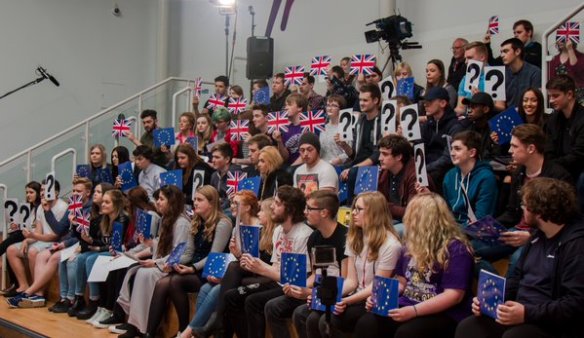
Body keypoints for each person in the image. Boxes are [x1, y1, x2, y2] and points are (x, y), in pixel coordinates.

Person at [455, 178, 584, 338]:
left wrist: (526, 313)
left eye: (524, 205)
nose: (522, 209)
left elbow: (575, 302)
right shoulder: (536, 237)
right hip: (521, 312)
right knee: (470, 326)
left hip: (549, 322)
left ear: (539, 211)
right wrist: (489, 301)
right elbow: (515, 280)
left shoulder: (575, 245)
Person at [354, 193, 474, 338]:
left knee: (407, 333)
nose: (407, 221)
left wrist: (414, 311)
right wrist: (380, 296)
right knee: (368, 323)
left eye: (412, 217)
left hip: (442, 313)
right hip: (408, 303)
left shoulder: (456, 249)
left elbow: (454, 296)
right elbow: (401, 281)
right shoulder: (410, 244)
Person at [304, 191, 401, 338]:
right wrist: (322, 295)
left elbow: (377, 286)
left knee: (345, 323)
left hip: (377, 299)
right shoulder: (354, 237)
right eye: (354, 208)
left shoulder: (391, 244)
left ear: (374, 213)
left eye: (359, 209)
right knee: (315, 319)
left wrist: (346, 301)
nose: (353, 213)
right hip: (357, 296)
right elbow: (351, 281)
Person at [224, 186, 312, 338]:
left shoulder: (303, 235)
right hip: (279, 282)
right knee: (231, 296)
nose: (271, 205)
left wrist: (261, 268)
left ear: (290, 209)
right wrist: (244, 257)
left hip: (296, 288)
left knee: (255, 302)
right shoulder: (278, 230)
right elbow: (276, 267)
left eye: (277, 203)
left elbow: (295, 280)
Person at [484, 125, 572, 275]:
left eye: (514, 146)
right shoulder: (519, 173)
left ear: (531, 149)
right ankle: (497, 285)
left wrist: (532, 236)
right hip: (516, 230)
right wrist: (489, 227)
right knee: (471, 249)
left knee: (518, 261)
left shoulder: (558, 177)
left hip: (543, 236)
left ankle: (506, 292)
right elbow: (511, 212)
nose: (510, 150)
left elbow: (563, 222)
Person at [146, 185, 232, 336]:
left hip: (211, 271)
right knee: (166, 281)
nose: (195, 203)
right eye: (194, 200)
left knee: (173, 281)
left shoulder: (223, 223)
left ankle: (183, 330)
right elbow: (189, 252)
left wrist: (192, 268)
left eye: (199, 200)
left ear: (211, 203)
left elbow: (214, 255)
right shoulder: (196, 221)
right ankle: (153, 333)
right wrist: (171, 263)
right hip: (195, 267)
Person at [266, 190, 349, 338]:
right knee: (288, 310)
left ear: (324, 212)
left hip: (341, 295)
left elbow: (347, 282)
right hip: (322, 293)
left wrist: (312, 293)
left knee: (308, 316)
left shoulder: (344, 238)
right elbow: (316, 275)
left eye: (309, 209)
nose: (305, 212)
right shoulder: (314, 238)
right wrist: (300, 285)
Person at [191, 197, 277, 338]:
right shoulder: (257, 230)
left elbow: (265, 266)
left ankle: (216, 324)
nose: (259, 213)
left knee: (229, 287)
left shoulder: (271, 232)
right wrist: (238, 254)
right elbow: (253, 261)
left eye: (262, 211)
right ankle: (213, 326)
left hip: (270, 278)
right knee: (210, 287)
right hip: (254, 273)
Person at [116, 185, 194, 338]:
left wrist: (157, 262)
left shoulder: (182, 222)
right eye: (158, 198)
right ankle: (135, 324)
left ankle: (144, 327)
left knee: (144, 274)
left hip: (171, 266)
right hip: (162, 262)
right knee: (135, 270)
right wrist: (150, 243)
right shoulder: (166, 218)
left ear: (171, 202)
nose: (157, 202)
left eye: (161, 199)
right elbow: (162, 243)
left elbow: (181, 252)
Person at [179, 190, 259, 338]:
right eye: (232, 202)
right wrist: (232, 259)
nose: (232, 206)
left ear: (247, 207)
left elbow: (256, 260)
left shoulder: (258, 226)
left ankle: (187, 333)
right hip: (238, 271)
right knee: (205, 288)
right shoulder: (238, 226)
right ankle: (197, 333)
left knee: (217, 291)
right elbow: (236, 258)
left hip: (254, 275)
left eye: (236, 203)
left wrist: (227, 275)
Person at [8, 178, 93, 308]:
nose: (75, 193)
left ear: (88, 193)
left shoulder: (89, 208)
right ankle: (38, 294)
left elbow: (72, 234)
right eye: (74, 190)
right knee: (42, 255)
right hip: (69, 242)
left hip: (78, 244)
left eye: (79, 191)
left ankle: (31, 292)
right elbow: (61, 228)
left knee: (54, 258)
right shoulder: (74, 204)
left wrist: (64, 242)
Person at [75, 189, 129, 321]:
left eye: (107, 202)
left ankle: (97, 301)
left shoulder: (122, 219)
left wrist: (98, 247)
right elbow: (103, 241)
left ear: (116, 204)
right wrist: (91, 241)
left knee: (92, 259)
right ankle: (88, 301)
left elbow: (116, 244)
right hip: (107, 250)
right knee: (83, 258)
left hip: (119, 253)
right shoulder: (104, 218)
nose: (103, 204)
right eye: (103, 201)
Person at [338, 84, 384, 203]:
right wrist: (344, 145)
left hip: (376, 166)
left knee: (352, 172)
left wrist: (354, 167)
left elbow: (377, 155)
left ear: (375, 100)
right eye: (360, 100)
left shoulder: (383, 122)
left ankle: (350, 207)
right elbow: (354, 155)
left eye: (365, 100)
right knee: (336, 170)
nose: (361, 103)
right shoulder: (360, 121)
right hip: (358, 163)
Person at [442, 131, 498, 227]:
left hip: (475, 233)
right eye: (451, 149)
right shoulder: (450, 175)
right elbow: (446, 211)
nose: (452, 153)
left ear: (472, 152)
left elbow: (481, 220)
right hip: (452, 229)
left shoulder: (486, 178)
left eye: (457, 149)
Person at [377, 134, 434, 227]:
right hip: (392, 219)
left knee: (388, 232)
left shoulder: (416, 176)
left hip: (416, 224)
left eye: (385, 154)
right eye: (380, 153)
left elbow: (412, 212)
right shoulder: (384, 172)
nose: (380, 158)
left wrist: (384, 206)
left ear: (399, 157)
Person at [0, 181, 42, 296]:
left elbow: (38, 230)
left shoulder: (41, 208)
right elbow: (24, 225)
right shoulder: (27, 207)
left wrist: (26, 237)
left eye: (31, 192)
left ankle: (17, 284)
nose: (28, 195)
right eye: (27, 192)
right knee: (11, 245)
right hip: (25, 234)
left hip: (35, 237)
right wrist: (16, 225)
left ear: (38, 193)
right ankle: (17, 284)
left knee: (12, 241)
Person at [421, 87, 465, 190]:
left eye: (430, 101)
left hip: (444, 170)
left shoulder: (455, 126)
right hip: (427, 168)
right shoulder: (428, 124)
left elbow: (448, 158)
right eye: (425, 101)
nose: (425, 104)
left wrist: (424, 169)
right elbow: (420, 147)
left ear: (443, 103)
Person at [544, 74, 584, 182]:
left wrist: (553, 165)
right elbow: (549, 149)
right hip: (559, 168)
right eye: (550, 96)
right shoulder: (553, 119)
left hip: (579, 168)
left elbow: (579, 155)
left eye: (555, 96)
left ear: (569, 94)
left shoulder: (582, 119)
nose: (551, 100)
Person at [500, 38, 542, 109]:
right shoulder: (502, 74)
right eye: (501, 52)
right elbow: (501, 105)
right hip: (509, 115)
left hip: (529, 113)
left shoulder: (535, 72)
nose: (502, 55)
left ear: (517, 51)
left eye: (505, 51)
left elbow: (536, 100)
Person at [461, 92, 503, 161]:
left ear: (485, 109)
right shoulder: (468, 128)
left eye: (474, 107)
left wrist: (495, 143)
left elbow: (497, 156)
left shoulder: (496, 130)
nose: (469, 111)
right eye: (469, 107)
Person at [273, 93, 306, 166]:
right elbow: (285, 157)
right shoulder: (285, 129)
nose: (286, 108)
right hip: (289, 167)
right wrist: (279, 141)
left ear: (300, 107)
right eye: (286, 105)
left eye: (289, 105)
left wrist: (291, 168)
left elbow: (309, 153)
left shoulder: (308, 126)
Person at [549, 38, 584, 104]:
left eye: (564, 39)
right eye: (558, 38)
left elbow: (577, 72)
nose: (560, 41)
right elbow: (551, 81)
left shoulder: (581, 57)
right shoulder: (554, 60)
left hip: (579, 97)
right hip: (560, 97)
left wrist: (570, 49)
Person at [320, 94, 351, 165]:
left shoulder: (345, 127)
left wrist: (331, 163)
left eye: (334, 105)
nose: (329, 108)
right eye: (328, 105)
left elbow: (348, 154)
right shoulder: (322, 128)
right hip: (322, 165)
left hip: (337, 166)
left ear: (341, 109)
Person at [209, 143, 241, 211]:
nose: (213, 160)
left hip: (232, 210)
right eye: (213, 157)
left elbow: (231, 200)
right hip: (218, 208)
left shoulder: (235, 173)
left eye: (217, 157)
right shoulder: (214, 175)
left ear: (227, 159)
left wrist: (216, 211)